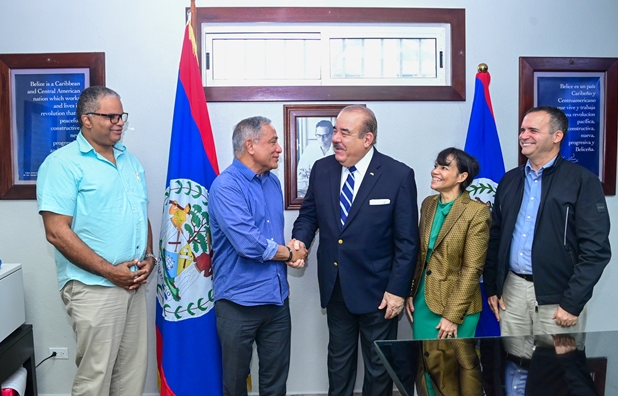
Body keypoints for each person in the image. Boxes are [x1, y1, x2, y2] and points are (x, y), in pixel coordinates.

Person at [292, 105, 419, 396]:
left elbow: (407, 241)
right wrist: (300, 239)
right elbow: (310, 214)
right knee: (339, 362)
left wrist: (398, 291)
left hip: (379, 292)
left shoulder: (397, 175)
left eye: (344, 133)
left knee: (378, 367)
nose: (336, 138)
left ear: (367, 138)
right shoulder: (322, 169)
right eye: (335, 131)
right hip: (336, 286)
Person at [37, 86, 153, 395]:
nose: (119, 122)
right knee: (96, 379)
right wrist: (108, 270)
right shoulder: (62, 164)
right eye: (111, 116)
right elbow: (57, 232)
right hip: (94, 287)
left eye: (121, 115)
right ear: (87, 119)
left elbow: (140, 213)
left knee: (130, 376)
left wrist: (150, 256)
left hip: (132, 284)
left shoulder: (130, 161)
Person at [484, 105, 611, 337]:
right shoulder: (510, 180)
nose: (523, 136)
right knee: (515, 366)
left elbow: (596, 251)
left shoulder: (582, 181)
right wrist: (493, 286)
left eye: (533, 130)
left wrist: (572, 303)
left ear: (557, 136)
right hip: (512, 294)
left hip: (558, 298)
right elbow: (496, 237)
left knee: (558, 370)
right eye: (522, 129)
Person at [208, 116, 307, 396]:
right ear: (250, 146)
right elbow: (249, 244)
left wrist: (291, 249)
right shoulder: (226, 186)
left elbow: (270, 237)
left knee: (275, 383)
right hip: (238, 303)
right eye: (273, 141)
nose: (279, 149)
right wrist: (289, 253)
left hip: (276, 299)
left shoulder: (272, 183)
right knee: (236, 382)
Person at [406, 147, 491, 341]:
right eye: (436, 166)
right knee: (427, 367)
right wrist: (411, 290)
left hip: (456, 308)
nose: (435, 171)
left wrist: (452, 315)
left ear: (462, 176)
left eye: (444, 168)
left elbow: (473, 269)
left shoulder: (477, 212)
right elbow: (420, 255)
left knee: (450, 369)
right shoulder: (428, 204)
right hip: (422, 301)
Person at [297, 120, 334, 197]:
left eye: (325, 135)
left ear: (332, 134)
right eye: (318, 135)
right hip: (313, 190)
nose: (321, 139)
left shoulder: (338, 150)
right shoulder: (310, 149)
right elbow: (301, 172)